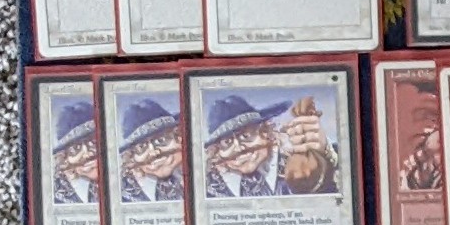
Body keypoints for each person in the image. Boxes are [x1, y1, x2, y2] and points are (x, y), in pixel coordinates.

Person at [203, 90, 337, 198]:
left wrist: (323, 154)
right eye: (227, 142)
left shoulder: (297, 166)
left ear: (266, 133)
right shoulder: (210, 189)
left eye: (246, 135)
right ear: (217, 152)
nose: (239, 147)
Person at [117, 97, 183, 203]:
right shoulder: (123, 196)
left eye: (161, 140)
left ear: (180, 138)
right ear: (131, 159)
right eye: (141, 147)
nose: (154, 153)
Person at [49, 99, 100, 205]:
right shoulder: (55, 195)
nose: (88, 153)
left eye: (93, 142)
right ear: (64, 159)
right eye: (75, 148)